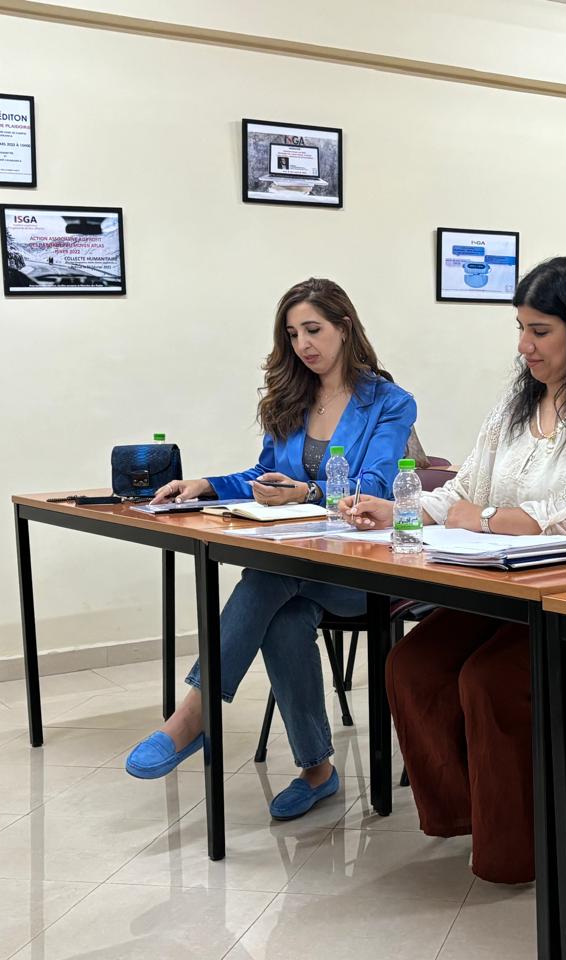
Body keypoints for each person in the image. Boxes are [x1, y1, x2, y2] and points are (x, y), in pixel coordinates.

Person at [342, 256, 566, 883]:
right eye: (520, 329)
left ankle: (519, 845)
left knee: (491, 678)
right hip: (509, 590)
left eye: (540, 331)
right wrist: (398, 509)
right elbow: (462, 490)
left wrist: (482, 519)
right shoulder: (516, 405)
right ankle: (479, 813)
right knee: (412, 664)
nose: (524, 346)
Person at [124, 278, 416, 821]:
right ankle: (318, 771)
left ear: (344, 328)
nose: (303, 344)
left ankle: (194, 716)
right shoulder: (292, 398)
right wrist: (206, 485)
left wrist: (306, 493)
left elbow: (376, 485)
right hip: (298, 565)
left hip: (362, 572)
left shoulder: (390, 402)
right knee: (281, 611)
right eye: (293, 334)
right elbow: (264, 475)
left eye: (314, 330)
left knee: (266, 578)